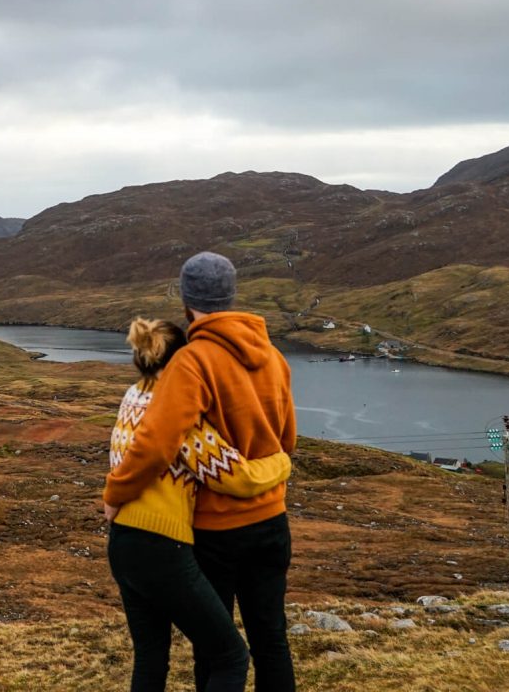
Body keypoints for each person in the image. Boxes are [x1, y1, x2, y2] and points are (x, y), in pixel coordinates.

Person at [104, 252, 298, 692]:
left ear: (187, 300)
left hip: (217, 530)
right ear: (231, 294)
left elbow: (156, 442)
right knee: (272, 641)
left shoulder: (192, 362)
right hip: (272, 520)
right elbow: (287, 439)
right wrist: (281, 465)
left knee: (218, 653)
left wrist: (114, 494)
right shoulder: (274, 357)